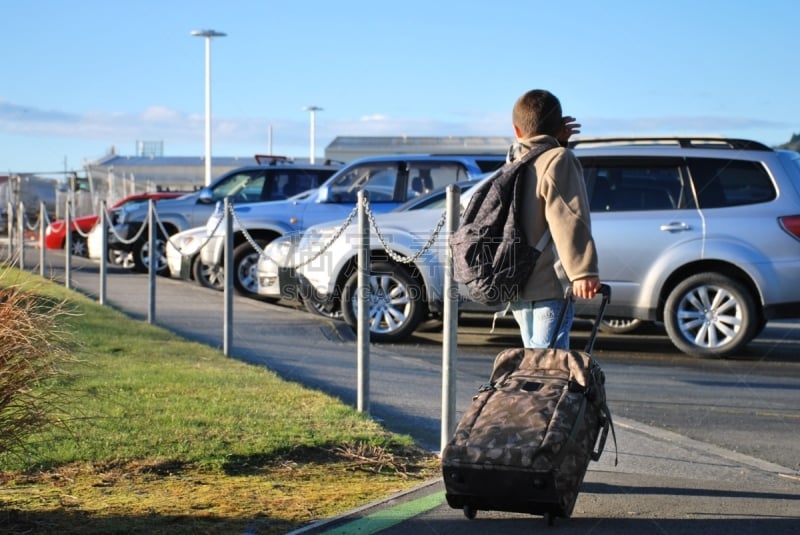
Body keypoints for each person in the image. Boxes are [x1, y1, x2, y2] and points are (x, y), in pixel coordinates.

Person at [507, 89, 601, 349]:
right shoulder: (560, 159)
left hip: (517, 283)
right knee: (548, 370)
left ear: (517, 130)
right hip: (548, 285)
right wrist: (583, 271)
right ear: (559, 126)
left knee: (534, 365)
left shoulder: (514, 159)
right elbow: (568, 217)